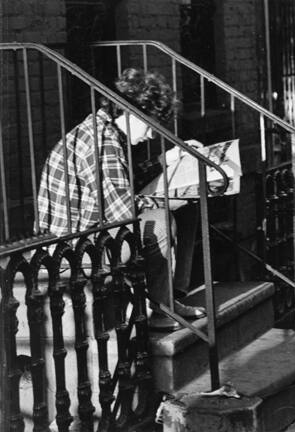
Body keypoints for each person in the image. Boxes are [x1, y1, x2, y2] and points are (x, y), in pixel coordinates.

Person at [37, 67, 205, 331]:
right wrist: (166, 200)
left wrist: (166, 160)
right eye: (150, 125)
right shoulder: (101, 142)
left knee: (186, 206)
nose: (152, 134)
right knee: (161, 221)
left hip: (91, 233)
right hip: (76, 249)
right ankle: (159, 310)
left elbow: (120, 184)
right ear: (130, 112)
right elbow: (123, 211)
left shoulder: (104, 131)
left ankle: (170, 297)